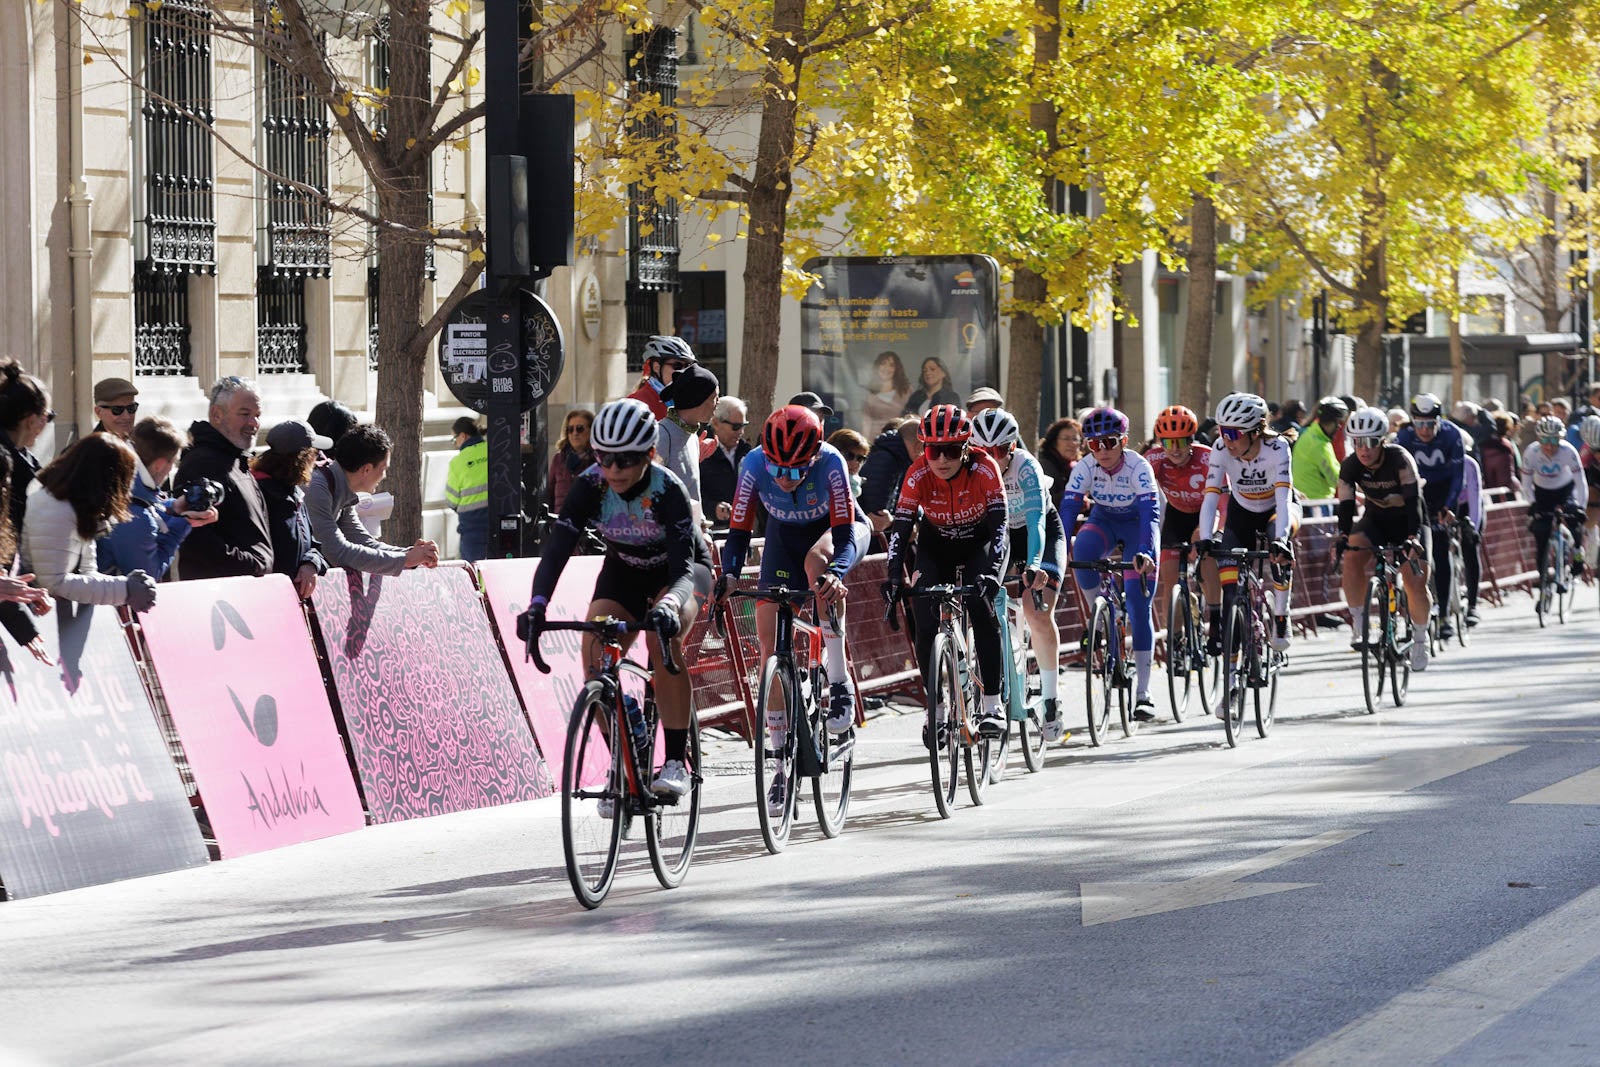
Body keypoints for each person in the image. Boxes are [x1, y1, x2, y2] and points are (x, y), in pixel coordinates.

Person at [524, 398, 712, 799]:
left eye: (624, 461)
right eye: (603, 458)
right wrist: (537, 605)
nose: (612, 470)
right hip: (624, 569)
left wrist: (668, 605)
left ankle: (676, 760)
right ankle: (623, 767)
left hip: (678, 573)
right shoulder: (590, 484)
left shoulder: (668, 490)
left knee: (663, 640)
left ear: (648, 454)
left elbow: (682, 572)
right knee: (593, 653)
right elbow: (557, 550)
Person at [715, 406, 872, 816]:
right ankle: (781, 758)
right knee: (769, 646)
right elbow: (738, 531)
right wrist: (730, 574)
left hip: (838, 533)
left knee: (817, 569)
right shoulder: (752, 464)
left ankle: (838, 686)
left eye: (795, 468)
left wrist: (838, 572)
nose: (783, 477)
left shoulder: (832, 463)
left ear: (815, 455)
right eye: (777, 467)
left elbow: (842, 533)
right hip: (783, 538)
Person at [881, 405, 1009, 740]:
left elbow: (1000, 527)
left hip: (978, 542)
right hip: (935, 544)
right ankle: (934, 709)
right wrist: (894, 576)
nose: (942, 459)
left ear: (967, 448)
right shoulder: (918, 473)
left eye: (951, 450)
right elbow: (901, 528)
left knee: (981, 610)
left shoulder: (985, 467)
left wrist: (994, 572)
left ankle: (992, 703)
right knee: (924, 619)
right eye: (934, 450)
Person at [972, 408, 1069, 739]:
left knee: (1035, 610)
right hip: (1000, 534)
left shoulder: (1027, 466)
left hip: (1036, 533)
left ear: (1011, 448)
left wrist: (1033, 564)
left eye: (998, 451)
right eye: (983, 452)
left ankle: (1051, 697)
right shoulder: (972, 467)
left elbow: (1036, 522)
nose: (991, 459)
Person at [1060, 407, 1161, 721]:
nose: (1102, 450)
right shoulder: (1085, 468)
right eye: (1094, 444)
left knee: (1137, 603)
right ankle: (1099, 615)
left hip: (1138, 527)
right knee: (1082, 549)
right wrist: (1056, 552)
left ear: (1124, 441)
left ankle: (1143, 694)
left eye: (1110, 442)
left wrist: (1146, 551)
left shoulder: (1139, 467)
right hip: (1104, 520)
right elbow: (1066, 510)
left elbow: (1151, 517)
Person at [1196, 392, 1297, 659]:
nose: (1225, 439)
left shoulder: (1277, 448)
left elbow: (1284, 498)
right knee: (1230, 592)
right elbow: (1211, 495)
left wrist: (1281, 540)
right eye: (1222, 431)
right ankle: (1232, 675)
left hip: (1277, 509)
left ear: (1254, 432)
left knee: (1279, 552)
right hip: (1242, 512)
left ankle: (1281, 617)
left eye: (1232, 433)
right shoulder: (1220, 447)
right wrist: (1206, 536)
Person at [1334, 407, 1431, 670]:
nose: (1364, 449)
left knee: (1414, 581)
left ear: (1383, 441)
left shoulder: (1400, 459)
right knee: (1352, 556)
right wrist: (1343, 535)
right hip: (1376, 520)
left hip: (1410, 521)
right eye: (1357, 443)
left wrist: (1414, 537)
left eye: (1371, 442)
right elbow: (1344, 503)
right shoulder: (1351, 465)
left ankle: (1421, 639)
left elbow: (1414, 502)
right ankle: (1359, 623)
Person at [22, 433, 157, 612]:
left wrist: (125, 587)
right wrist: (124, 589)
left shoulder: (77, 506)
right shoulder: (55, 508)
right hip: (36, 612)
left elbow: (87, 571)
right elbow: (53, 583)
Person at [175, 376, 274, 580]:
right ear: (217, 414)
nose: (253, 423)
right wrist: (253, 566)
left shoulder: (237, 460)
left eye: (257, 415)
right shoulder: (201, 464)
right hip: (219, 598)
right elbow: (196, 539)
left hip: (248, 592)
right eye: (245, 414)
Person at [306, 424, 440, 575]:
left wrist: (413, 554)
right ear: (367, 469)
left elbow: (364, 542)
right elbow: (337, 551)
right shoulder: (318, 488)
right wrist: (406, 559)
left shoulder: (340, 485)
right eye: (384, 469)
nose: (385, 476)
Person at [99, 417, 219, 580]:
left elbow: (146, 505)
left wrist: (175, 508)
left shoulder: (112, 475)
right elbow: (147, 579)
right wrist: (183, 523)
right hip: (98, 602)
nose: (173, 468)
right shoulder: (135, 516)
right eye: (174, 463)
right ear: (159, 465)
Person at [1145, 403, 1222, 646]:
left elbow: (1223, 504)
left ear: (1192, 439)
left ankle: (1216, 621)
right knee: (1170, 579)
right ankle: (1175, 640)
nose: (1175, 449)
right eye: (1168, 442)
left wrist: (1209, 529)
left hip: (1207, 514)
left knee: (1207, 562)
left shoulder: (1208, 458)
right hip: (1177, 517)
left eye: (1181, 441)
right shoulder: (1154, 459)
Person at [1395, 393, 1466, 640]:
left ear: (1439, 421)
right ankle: (1409, 616)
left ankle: (1445, 615)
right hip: (1414, 493)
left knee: (1440, 554)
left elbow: (1458, 476)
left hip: (1442, 493)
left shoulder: (1451, 434)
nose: (1424, 430)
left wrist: (1449, 507)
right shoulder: (1403, 437)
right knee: (1410, 556)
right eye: (1419, 423)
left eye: (1430, 424)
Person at [250, 420, 329, 599]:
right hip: (268, 601)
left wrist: (311, 563)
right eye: (315, 453)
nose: (317, 459)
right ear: (304, 457)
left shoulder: (294, 493)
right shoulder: (259, 494)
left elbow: (314, 545)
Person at [1522, 413, 1588, 588]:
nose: (1550, 446)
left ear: (1561, 439)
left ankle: (1577, 552)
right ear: (1538, 439)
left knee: (1574, 520)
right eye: (1545, 441)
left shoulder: (1568, 451)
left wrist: (1581, 507)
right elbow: (1526, 484)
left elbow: (1581, 482)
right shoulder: (1531, 453)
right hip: (1542, 492)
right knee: (1541, 532)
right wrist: (1532, 503)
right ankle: (1543, 580)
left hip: (1565, 489)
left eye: (1554, 441)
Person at [656, 362, 719, 528]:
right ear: (697, 400)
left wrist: (702, 527)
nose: (717, 403)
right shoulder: (662, 434)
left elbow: (691, 489)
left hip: (692, 531)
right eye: (714, 398)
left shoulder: (691, 435)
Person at [0, 358, 51, 537]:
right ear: (31, 420)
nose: (46, 425)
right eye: (46, 417)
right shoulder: (5, 461)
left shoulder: (22, 458)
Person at [858, 415, 919, 543]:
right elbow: (878, 516)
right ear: (918, 446)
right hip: (870, 540)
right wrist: (898, 523)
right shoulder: (886, 460)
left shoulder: (896, 458)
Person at [701, 397, 751, 529]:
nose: (741, 432)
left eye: (743, 426)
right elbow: (692, 494)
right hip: (713, 532)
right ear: (716, 423)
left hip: (744, 529)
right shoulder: (702, 453)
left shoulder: (748, 452)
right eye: (736, 427)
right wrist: (713, 508)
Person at [445, 416, 488, 562]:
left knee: (474, 575)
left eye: (455, 438)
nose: (455, 443)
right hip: (497, 521)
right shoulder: (493, 450)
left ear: (463, 436)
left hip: (472, 528)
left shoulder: (457, 462)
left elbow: (452, 501)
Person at [1291, 396, 1348, 507]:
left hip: (1305, 499)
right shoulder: (1319, 445)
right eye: (1338, 423)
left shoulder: (1311, 433)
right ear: (1333, 422)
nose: (1339, 427)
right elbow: (1335, 479)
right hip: (1317, 502)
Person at [629, 335, 697, 420]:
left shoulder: (685, 399)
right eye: (677, 366)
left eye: (687, 366)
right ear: (656, 367)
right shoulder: (635, 404)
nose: (683, 372)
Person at [547, 408, 595, 516]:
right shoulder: (558, 460)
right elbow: (549, 494)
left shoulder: (599, 460)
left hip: (590, 526)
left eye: (579, 429)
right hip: (561, 523)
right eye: (570, 429)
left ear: (591, 430)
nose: (574, 433)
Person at [1457, 449, 1484, 627]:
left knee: (1470, 550)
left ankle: (1473, 605)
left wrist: (1473, 527)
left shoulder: (1469, 464)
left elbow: (1475, 496)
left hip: (1469, 508)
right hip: (1447, 505)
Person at [1038, 416, 1083, 513]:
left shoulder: (1078, 467)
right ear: (1054, 442)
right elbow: (1047, 501)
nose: (1071, 443)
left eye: (1075, 439)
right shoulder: (1045, 467)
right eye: (1066, 438)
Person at [862, 351, 911, 431]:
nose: (886, 368)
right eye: (883, 363)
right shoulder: (869, 393)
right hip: (874, 440)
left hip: (898, 439)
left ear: (896, 369)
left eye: (891, 365)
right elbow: (866, 422)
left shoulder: (906, 391)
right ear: (877, 366)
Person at [1479, 412, 1521, 495]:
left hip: (1487, 489)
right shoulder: (1506, 446)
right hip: (1504, 490)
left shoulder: (1482, 445)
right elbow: (1507, 474)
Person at [1579, 414, 1600, 573]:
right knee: (1591, 494)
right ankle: (1593, 540)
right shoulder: (1586, 451)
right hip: (1593, 474)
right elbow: (1580, 479)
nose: (1598, 454)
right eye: (1595, 450)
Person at [827, 428, 870, 497]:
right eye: (849, 455)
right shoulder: (821, 481)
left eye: (860, 458)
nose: (855, 462)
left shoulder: (856, 486)